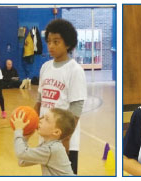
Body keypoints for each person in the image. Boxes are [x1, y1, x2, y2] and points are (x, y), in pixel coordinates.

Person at [36, 19, 87, 174]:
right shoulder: (45, 67)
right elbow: (40, 100)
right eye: (49, 41)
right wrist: (31, 122)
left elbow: (76, 109)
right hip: (45, 136)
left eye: (56, 41)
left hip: (65, 139)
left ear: (68, 44)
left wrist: (65, 138)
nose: (51, 45)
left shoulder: (75, 70)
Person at [11, 108, 77, 176]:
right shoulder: (47, 145)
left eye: (46, 119)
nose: (40, 120)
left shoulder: (51, 149)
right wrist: (25, 138)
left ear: (56, 132)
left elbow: (21, 154)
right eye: (43, 117)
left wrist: (18, 130)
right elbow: (22, 161)